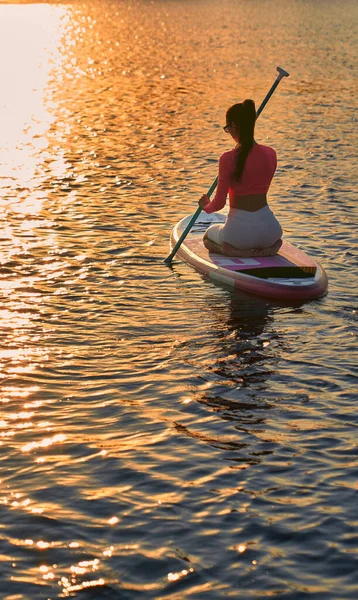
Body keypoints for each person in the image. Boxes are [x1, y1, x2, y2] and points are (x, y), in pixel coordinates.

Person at [198, 99, 282, 257]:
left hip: (237, 235)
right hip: (270, 231)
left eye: (227, 128)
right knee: (276, 240)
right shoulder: (271, 153)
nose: (228, 132)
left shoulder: (227, 158)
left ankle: (234, 251)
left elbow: (219, 204)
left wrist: (205, 206)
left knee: (207, 237)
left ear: (234, 126)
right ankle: (270, 249)